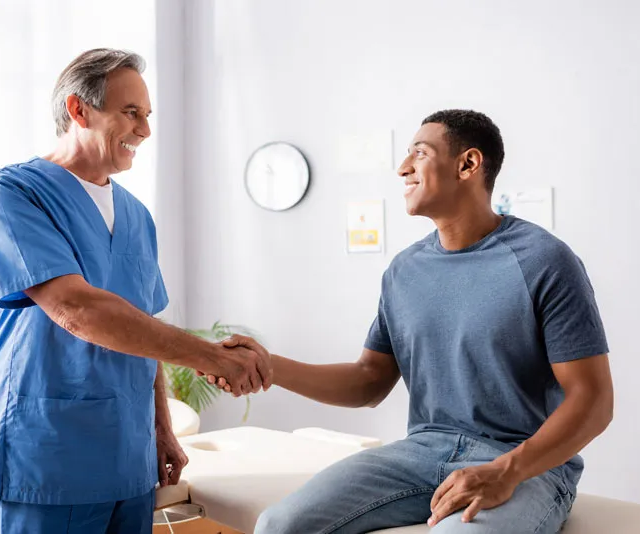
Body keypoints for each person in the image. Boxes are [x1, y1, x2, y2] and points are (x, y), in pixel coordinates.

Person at [222, 110, 614, 533]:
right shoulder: (404, 270)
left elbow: (593, 400)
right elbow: (369, 380)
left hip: (525, 465)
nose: (402, 168)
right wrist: (270, 367)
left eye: (419, 154)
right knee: (278, 525)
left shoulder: (544, 260)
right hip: (421, 454)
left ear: (467, 164)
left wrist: (508, 470)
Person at [0, 48, 271, 534]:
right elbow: (77, 309)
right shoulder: (11, 194)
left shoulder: (137, 216)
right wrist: (212, 357)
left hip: (130, 462)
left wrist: (161, 428)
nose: (145, 130)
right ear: (78, 109)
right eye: (131, 113)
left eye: (148, 115)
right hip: (48, 458)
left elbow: (144, 328)